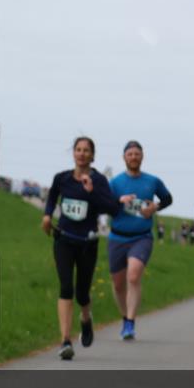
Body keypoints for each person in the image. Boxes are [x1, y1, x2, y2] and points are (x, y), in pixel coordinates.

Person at [42, 137, 120, 360]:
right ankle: (65, 340)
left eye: (87, 150)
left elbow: (112, 209)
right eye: (78, 150)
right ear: (73, 153)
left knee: (82, 292)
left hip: (87, 243)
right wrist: (47, 216)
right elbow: (52, 198)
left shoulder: (100, 181)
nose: (82, 153)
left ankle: (86, 318)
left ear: (92, 156)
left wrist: (92, 191)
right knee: (66, 287)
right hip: (64, 239)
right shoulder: (62, 178)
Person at [108, 141, 173, 340]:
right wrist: (118, 201)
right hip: (117, 237)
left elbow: (168, 199)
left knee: (134, 276)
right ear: (124, 158)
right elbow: (104, 205)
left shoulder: (152, 181)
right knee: (118, 285)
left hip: (142, 237)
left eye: (137, 154)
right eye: (130, 154)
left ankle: (130, 323)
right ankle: (124, 316)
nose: (134, 157)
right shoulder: (116, 183)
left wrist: (155, 207)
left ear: (142, 157)